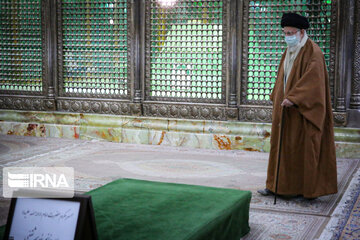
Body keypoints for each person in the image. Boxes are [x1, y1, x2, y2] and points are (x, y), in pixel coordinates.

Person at [258, 12, 338, 199]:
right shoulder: (290, 51)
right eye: (285, 33)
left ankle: (304, 190)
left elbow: (314, 82)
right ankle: (275, 186)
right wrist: (278, 96)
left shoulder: (313, 52)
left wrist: (295, 98)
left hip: (302, 112)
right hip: (285, 110)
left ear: (302, 32)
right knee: (280, 148)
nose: (288, 37)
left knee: (301, 150)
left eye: (291, 33)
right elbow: (283, 77)